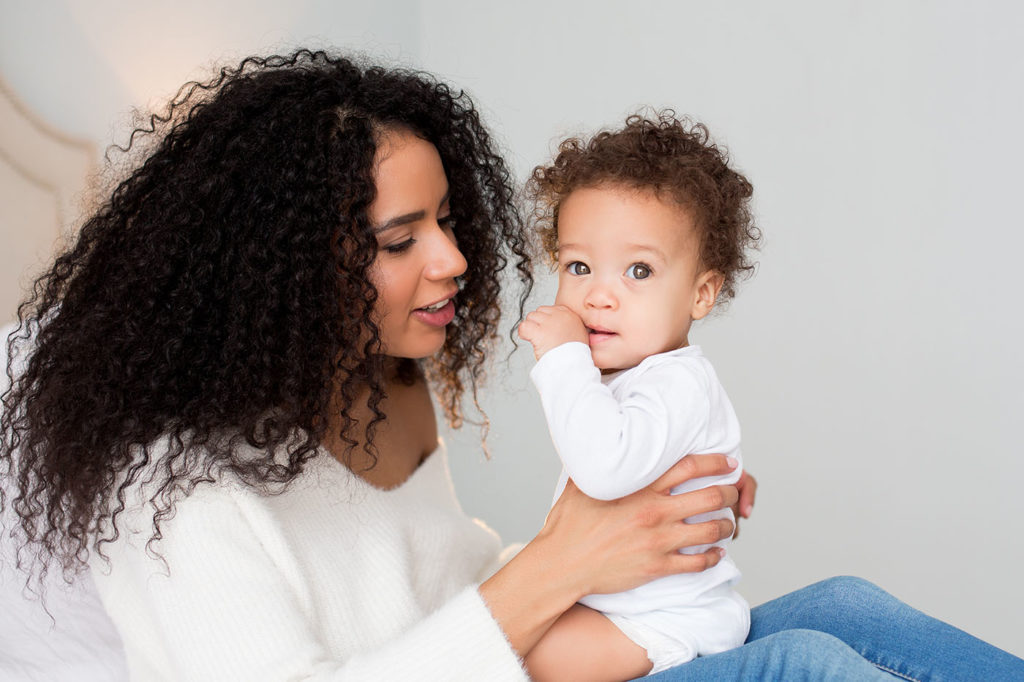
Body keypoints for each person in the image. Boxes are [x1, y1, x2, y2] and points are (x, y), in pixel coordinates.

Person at [1, 50, 1021, 681]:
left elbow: (441, 569)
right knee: (804, 663)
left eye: (445, 218)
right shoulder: (163, 493)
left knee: (845, 605)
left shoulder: (374, 385)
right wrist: (559, 567)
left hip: (529, 651)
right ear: (280, 266)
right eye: (400, 239)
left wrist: (641, 530)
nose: (452, 259)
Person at [518, 113, 757, 680]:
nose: (599, 295)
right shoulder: (642, 376)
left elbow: (604, 469)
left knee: (529, 658)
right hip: (623, 604)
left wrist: (561, 359)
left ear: (701, 293)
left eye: (639, 271)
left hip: (666, 619)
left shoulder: (677, 378)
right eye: (579, 266)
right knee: (507, 632)